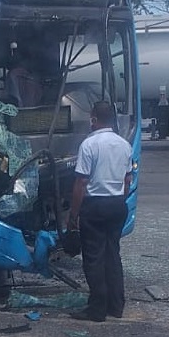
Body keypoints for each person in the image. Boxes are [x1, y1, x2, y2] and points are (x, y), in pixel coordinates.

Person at [67, 101, 132, 322]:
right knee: (112, 255)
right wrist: (118, 201)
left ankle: (96, 310)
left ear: (94, 119)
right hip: (117, 205)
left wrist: (73, 215)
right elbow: (127, 180)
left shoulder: (89, 144)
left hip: (95, 206)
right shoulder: (124, 144)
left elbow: (81, 183)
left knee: (93, 259)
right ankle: (116, 306)